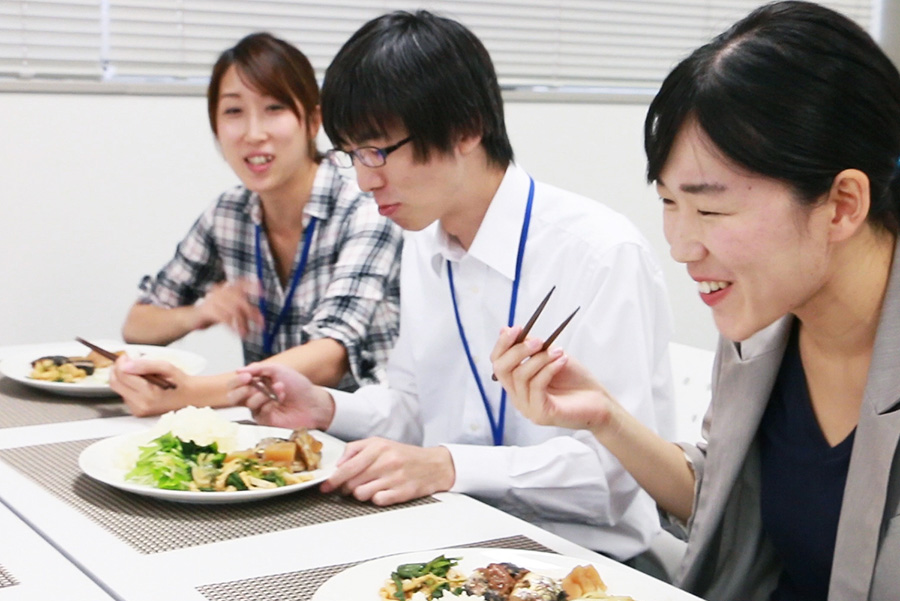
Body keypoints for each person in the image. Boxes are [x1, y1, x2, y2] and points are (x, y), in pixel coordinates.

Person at [491, 1, 900, 601]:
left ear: (842, 204)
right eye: (668, 203)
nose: (681, 245)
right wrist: (604, 417)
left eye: (710, 212)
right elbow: (727, 499)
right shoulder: (761, 331)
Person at [228, 10, 675, 565]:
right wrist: (324, 407)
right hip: (453, 540)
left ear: (466, 128)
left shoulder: (598, 253)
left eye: (378, 150)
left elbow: (615, 478)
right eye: (351, 154)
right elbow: (413, 406)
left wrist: (448, 465)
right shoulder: (424, 242)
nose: (365, 179)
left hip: (585, 564)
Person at [112, 32, 402, 417]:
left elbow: (332, 355)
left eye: (274, 108)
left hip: (367, 434)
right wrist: (200, 313)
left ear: (313, 120)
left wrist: (189, 393)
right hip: (271, 433)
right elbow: (138, 325)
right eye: (233, 112)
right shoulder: (229, 213)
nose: (253, 133)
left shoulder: (363, 208)